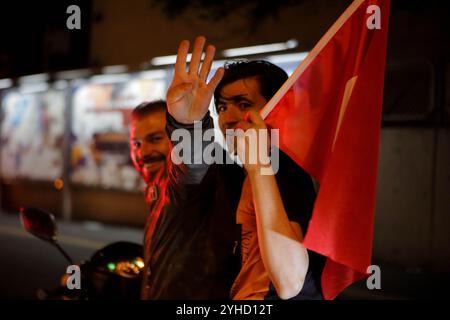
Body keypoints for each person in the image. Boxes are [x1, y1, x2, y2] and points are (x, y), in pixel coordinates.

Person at [166, 36, 324, 300]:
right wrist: (185, 122)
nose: (227, 118)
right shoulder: (232, 170)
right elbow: (191, 175)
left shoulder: (288, 174)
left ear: (276, 110)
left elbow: (289, 283)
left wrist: (259, 166)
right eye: (222, 108)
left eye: (243, 104)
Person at [129, 100, 170, 204]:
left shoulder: (193, 194)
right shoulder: (156, 194)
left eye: (155, 139)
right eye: (137, 144)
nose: (143, 153)